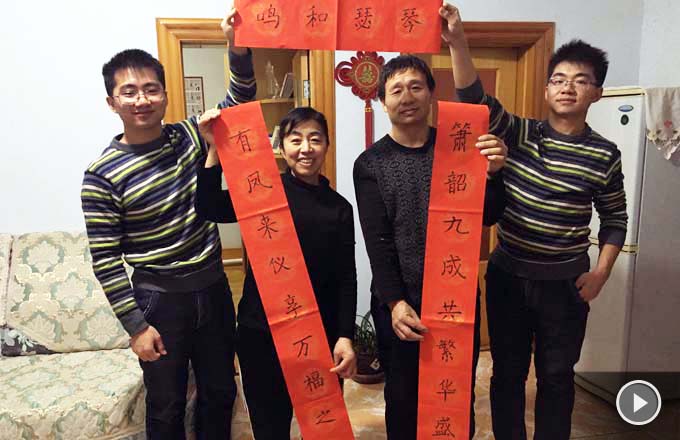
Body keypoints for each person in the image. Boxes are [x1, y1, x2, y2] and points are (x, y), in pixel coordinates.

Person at [441, 4, 628, 439]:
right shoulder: (520, 133)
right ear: (546, 90)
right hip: (508, 277)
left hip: (565, 286)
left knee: (557, 378)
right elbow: (474, 98)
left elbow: (615, 218)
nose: (568, 88)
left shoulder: (604, 154)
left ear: (597, 93)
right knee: (507, 374)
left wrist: (601, 273)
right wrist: (458, 42)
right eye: (559, 80)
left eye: (580, 81)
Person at [80, 10, 255, 440]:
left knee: (220, 392)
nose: (141, 99)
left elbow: (240, 101)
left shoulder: (189, 137)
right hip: (159, 301)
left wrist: (237, 47)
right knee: (166, 404)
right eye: (129, 92)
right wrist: (137, 328)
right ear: (112, 102)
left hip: (214, 289)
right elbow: (106, 260)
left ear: (164, 95)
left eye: (150, 89)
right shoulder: (101, 175)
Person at [353, 50, 508, 438]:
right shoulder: (370, 163)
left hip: (455, 296)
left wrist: (493, 175)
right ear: (382, 101)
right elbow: (378, 240)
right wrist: (395, 302)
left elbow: (489, 215)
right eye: (396, 90)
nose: (407, 97)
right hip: (400, 303)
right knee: (403, 397)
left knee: (453, 394)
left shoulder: (460, 149)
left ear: (432, 93)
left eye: (416, 87)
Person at [195, 106, 358, 439]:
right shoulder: (262, 191)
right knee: (270, 426)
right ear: (281, 147)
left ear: (327, 145)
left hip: (319, 334)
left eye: (315, 139)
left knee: (323, 428)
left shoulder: (339, 208)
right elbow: (208, 206)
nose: (306, 148)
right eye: (295, 140)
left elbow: (347, 277)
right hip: (261, 333)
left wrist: (345, 336)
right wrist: (214, 149)